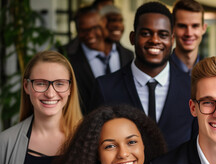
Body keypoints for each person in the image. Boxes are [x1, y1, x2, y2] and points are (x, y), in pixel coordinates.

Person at [91, 1, 197, 151]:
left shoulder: (192, 88)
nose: (154, 40)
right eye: (146, 33)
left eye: (163, 34)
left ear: (172, 40)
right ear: (132, 38)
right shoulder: (105, 88)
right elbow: (94, 147)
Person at [68, 6, 133, 115]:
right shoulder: (70, 59)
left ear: (103, 24)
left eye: (95, 28)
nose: (90, 34)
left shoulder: (128, 55)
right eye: (83, 30)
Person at [171, 0, 207, 75]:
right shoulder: (161, 70)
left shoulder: (210, 71)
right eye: (182, 26)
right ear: (172, 28)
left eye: (195, 26)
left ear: (203, 28)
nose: (189, 33)